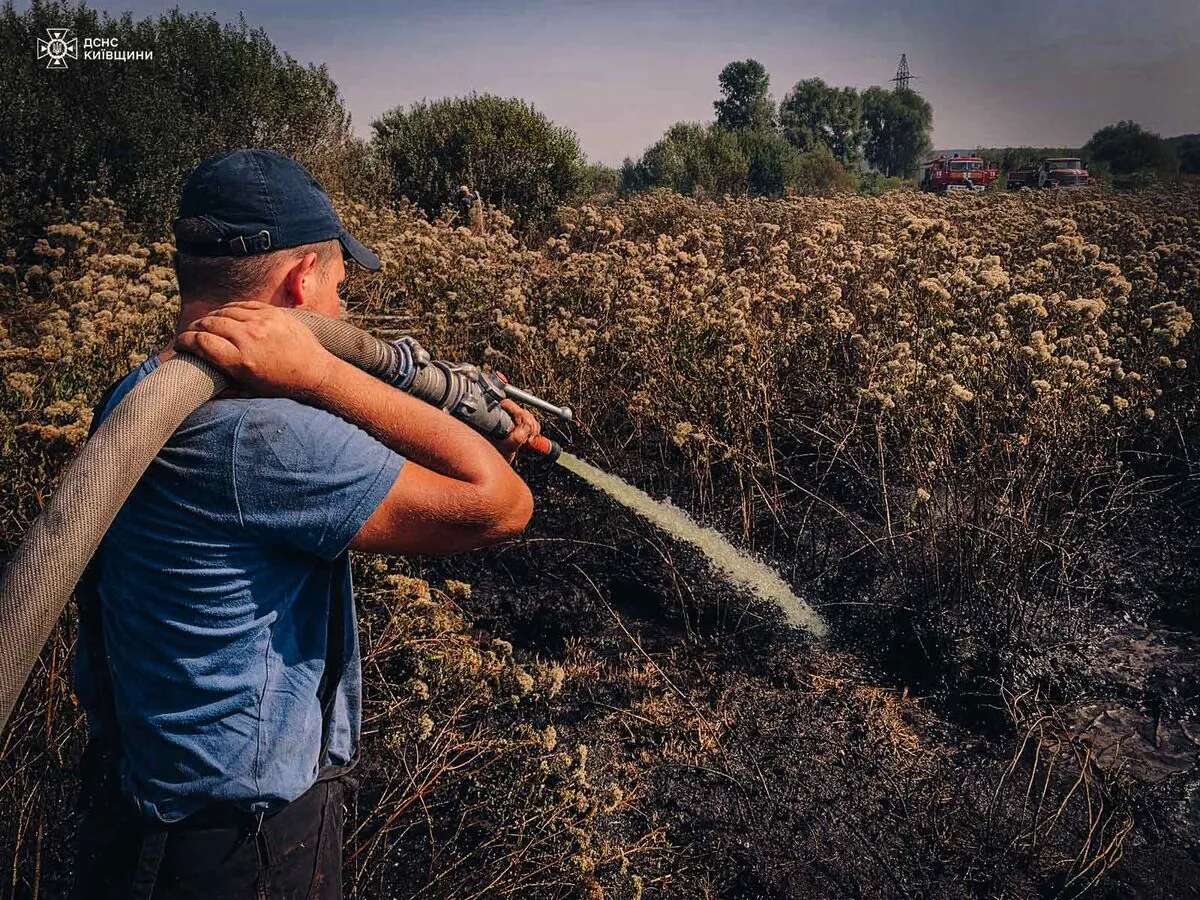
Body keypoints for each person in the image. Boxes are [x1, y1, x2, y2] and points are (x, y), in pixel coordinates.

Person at [71, 149, 538, 899]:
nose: (345, 315)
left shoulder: (144, 391)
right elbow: (502, 504)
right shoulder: (258, 439)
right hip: (237, 848)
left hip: (138, 815)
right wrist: (325, 372)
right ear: (300, 281)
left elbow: (309, 464)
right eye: (341, 288)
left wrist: (458, 404)